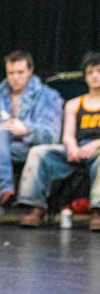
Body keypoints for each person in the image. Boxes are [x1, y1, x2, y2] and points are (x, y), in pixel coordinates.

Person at [0, 50, 63, 227]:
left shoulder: (47, 96)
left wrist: (26, 129)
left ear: (30, 70)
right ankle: (4, 189)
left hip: (31, 148)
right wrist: (1, 129)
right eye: (11, 73)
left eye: (20, 72)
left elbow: (51, 135)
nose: (15, 78)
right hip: (2, 148)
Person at [17, 52, 100, 231]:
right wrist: (72, 147)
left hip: (97, 151)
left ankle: (98, 211)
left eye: (99, 71)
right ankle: (35, 207)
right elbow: (68, 134)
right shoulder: (74, 104)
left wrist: (95, 145)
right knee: (39, 152)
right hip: (77, 150)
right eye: (90, 72)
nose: (95, 76)